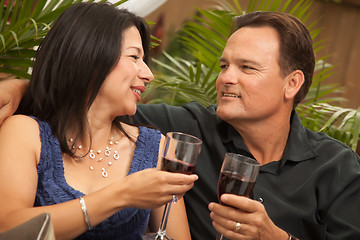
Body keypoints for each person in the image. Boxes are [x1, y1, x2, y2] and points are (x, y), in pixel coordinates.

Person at [1, 11, 360, 240]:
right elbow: (91, 101)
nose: (226, 79)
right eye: (223, 66)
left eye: (247, 68)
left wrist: (274, 239)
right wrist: (24, 86)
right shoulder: (179, 131)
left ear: (292, 83)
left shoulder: (337, 166)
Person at [0, 2, 198, 240]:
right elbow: (8, 228)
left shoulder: (158, 149)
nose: (148, 74)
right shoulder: (27, 133)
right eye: (134, 56)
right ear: (90, 56)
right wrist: (122, 195)